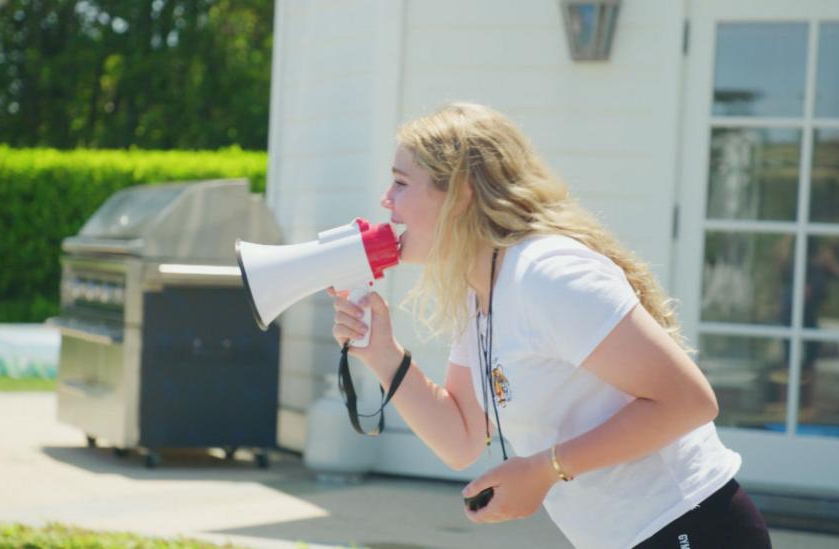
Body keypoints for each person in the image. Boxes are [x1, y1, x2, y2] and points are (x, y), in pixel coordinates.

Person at [328, 102, 771, 549]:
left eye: (401, 183)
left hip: (690, 524)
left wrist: (545, 470)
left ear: (460, 195)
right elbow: (460, 437)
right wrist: (383, 354)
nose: (386, 200)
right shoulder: (481, 287)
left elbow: (690, 402)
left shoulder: (547, 273)